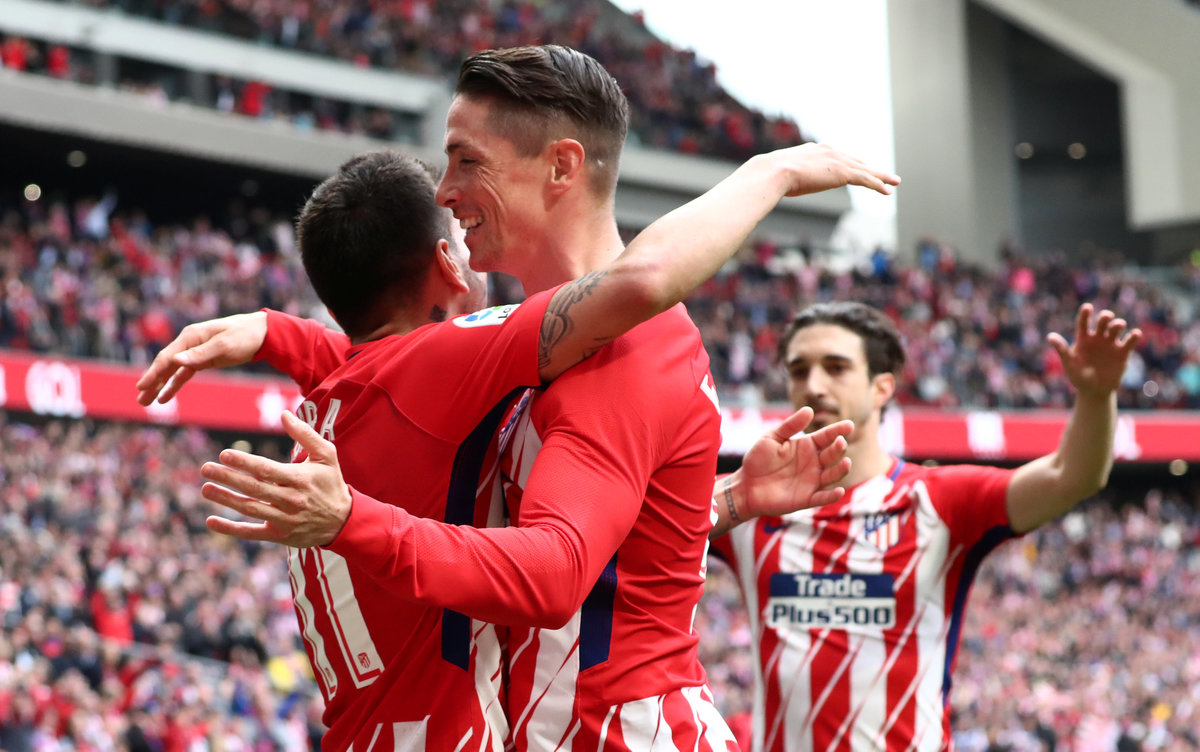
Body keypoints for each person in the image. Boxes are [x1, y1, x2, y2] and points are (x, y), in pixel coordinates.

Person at [154, 45, 898, 751]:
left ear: (561, 166)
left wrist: (770, 172)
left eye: (467, 160)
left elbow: (558, 568)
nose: (444, 191)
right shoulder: (506, 348)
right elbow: (386, 373)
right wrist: (726, 501)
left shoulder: (630, 342)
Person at [711, 300, 1142, 752]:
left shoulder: (938, 500)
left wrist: (1096, 397)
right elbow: (662, 517)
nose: (813, 385)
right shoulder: (750, 503)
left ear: (882, 387)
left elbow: (1072, 476)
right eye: (799, 371)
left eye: (836, 367)